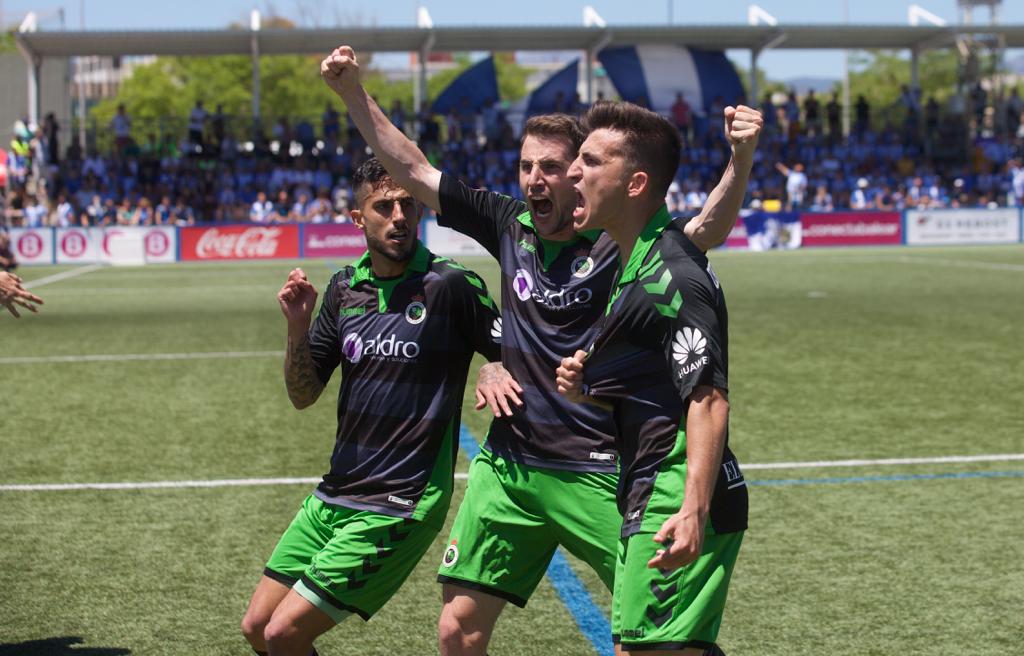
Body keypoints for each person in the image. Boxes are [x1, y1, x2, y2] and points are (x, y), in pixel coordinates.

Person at [321, 45, 760, 656]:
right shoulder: (508, 225)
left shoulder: (621, 238)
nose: (536, 178)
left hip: (602, 468)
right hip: (512, 466)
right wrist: (351, 93)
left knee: (658, 637)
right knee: (457, 626)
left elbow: (704, 232)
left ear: (579, 173)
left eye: (554, 166)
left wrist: (739, 161)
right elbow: (415, 169)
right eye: (526, 166)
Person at [240, 157, 502, 656]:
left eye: (408, 204)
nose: (399, 215)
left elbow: (518, 354)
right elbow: (303, 394)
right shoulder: (343, 289)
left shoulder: (451, 286)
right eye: (384, 206)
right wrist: (297, 327)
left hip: (401, 500)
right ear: (359, 218)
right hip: (335, 494)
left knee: (283, 634)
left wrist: (494, 365)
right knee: (258, 627)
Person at [556, 100, 754, 655]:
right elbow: (653, 387)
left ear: (636, 182)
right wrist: (589, 387)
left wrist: (692, 509)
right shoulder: (634, 256)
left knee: (642, 650)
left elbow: (709, 398)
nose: (574, 172)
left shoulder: (673, 274)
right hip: (648, 484)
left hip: (674, 491)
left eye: (591, 162)